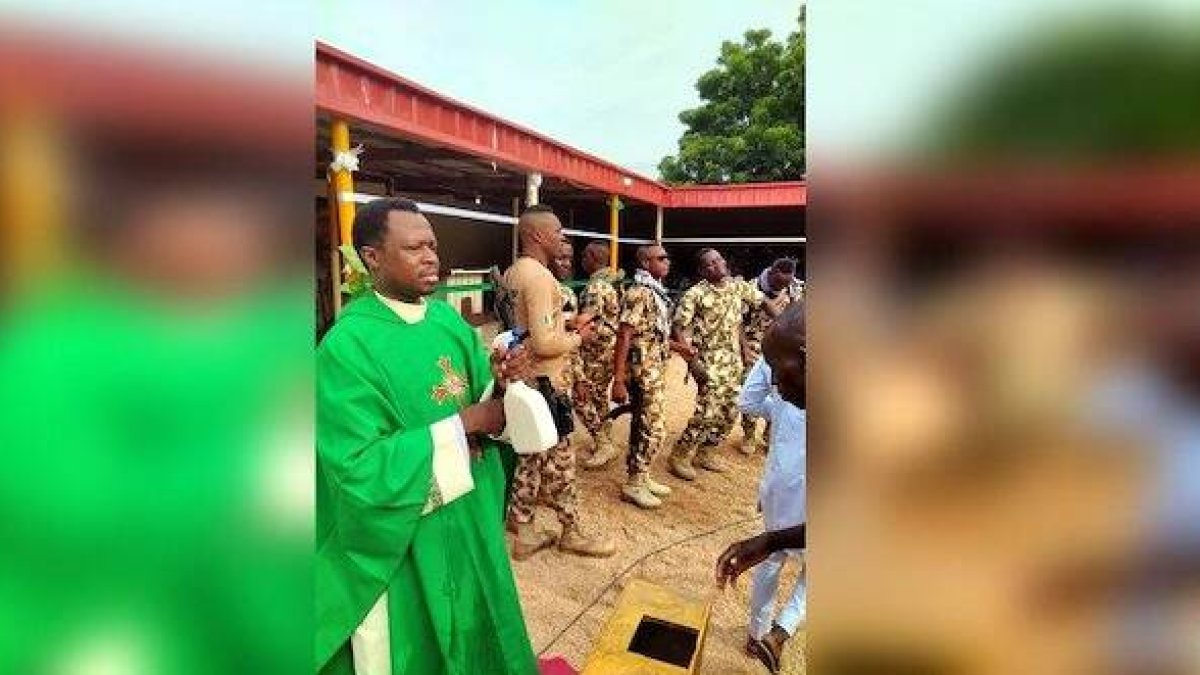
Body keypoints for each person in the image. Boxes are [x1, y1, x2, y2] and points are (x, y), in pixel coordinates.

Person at [315, 198, 538, 675]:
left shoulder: (445, 320)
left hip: (468, 516)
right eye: (414, 247)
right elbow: (357, 469)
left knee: (481, 633)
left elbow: (482, 400)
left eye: (433, 245)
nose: (431, 257)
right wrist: (469, 423)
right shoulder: (345, 347)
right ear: (372, 257)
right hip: (407, 536)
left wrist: (502, 381)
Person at [502, 205, 616, 560]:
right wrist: (580, 337)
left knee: (531, 457)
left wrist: (563, 322)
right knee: (561, 462)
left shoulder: (515, 272)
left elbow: (524, 328)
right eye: (558, 232)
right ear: (537, 235)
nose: (563, 239)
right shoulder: (538, 277)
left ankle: (523, 530)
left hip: (527, 381)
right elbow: (544, 344)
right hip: (547, 385)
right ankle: (572, 532)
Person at [735, 302, 806, 674]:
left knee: (773, 559)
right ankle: (780, 631)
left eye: (781, 373)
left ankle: (760, 631)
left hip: (783, 481)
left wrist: (778, 411)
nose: (777, 384)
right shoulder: (788, 353)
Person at [670, 248, 783, 479]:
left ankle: (707, 451)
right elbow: (679, 328)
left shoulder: (737, 286)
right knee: (707, 411)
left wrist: (785, 323)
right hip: (708, 360)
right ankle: (680, 454)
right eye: (711, 263)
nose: (718, 265)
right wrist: (692, 363)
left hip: (733, 361)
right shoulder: (695, 294)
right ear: (703, 270)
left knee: (731, 410)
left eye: (719, 260)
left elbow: (764, 303)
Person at [610, 245, 693, 508]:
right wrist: (619, 378)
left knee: (643, 425)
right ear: (645, 263)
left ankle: (641, 476)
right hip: (641, 371)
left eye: (667, 257)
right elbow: (625, 334)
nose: (667, 262)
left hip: (653, 368)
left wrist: (681, 348)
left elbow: (651, 335)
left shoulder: (655, 292)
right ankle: (634, 483)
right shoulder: (640, 292)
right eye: (661, 258)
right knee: (655, 428)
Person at [740, 258, 802, 455]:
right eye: (780, 282)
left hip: (781, 347)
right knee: (752, 390)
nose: (783, 286)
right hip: (753, 342)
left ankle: (769, 434)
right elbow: (738, 321)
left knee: (780, 389)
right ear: (773, 272)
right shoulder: (752, 288)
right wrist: (744, 349)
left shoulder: (794, 289)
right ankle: (748, 434)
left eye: (787, 282)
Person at [575, 242, 625, 470]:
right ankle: (605, 440)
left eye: (584, 256)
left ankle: (603, 443)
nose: (581, 261)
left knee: (582, 398)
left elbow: (586, 321)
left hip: (595, 353)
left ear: (592, 258)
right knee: (598, 399)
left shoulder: (596, 288)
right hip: (608, 351)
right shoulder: (612, 283)